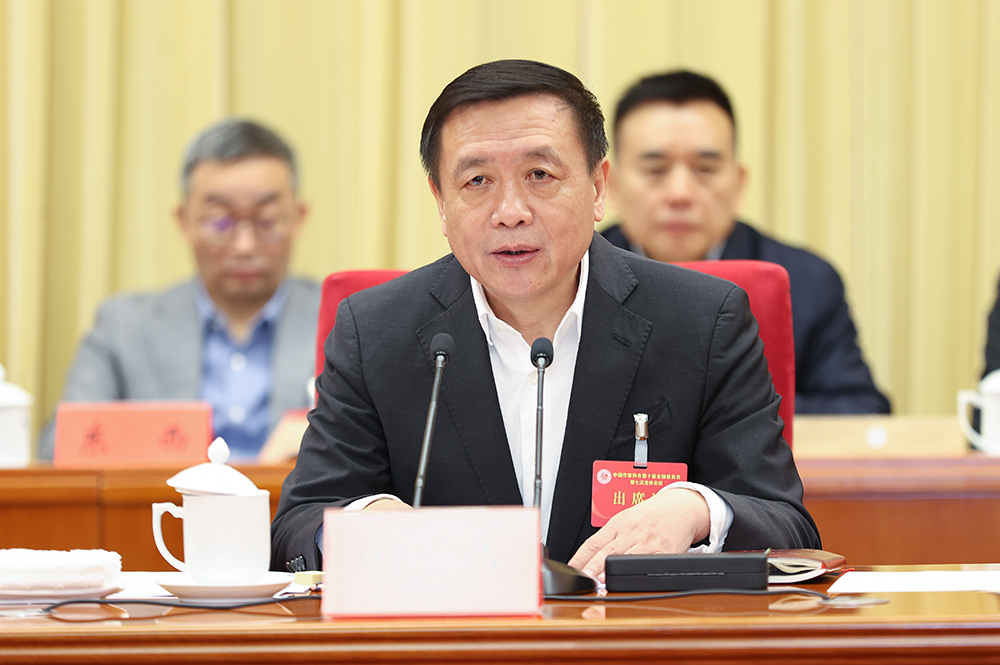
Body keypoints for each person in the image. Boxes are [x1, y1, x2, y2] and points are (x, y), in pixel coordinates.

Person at [271, 60, 820, 580]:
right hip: (451, 632)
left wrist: (694, 510)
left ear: (598, 188)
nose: (510, 212)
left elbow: (787, 525)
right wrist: (364, 520)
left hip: (632, 634)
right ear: (440, 202)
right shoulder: (374, 332)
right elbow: (297, 526)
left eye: (539, 174)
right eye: (477, 181)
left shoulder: (703, 322)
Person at [602, 70, 890, 414]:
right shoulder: (572, 274)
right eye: (655, 170)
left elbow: (859, 409)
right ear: (612, 186)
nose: (680, 194)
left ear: (738, 185)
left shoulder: (805, 281)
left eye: (705, 169)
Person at [38, 119, 320, 462]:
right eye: (220, 221)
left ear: (298, 218)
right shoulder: (123, 327)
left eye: (268, 220)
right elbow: (57, 449)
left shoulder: (344, 324)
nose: (244, 245)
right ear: (184, 221)